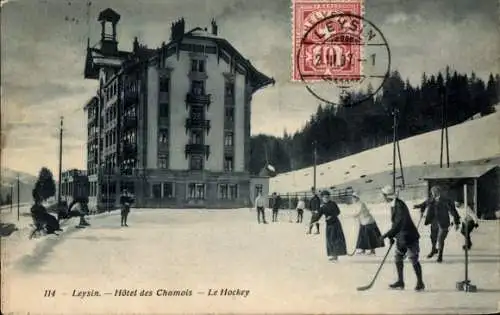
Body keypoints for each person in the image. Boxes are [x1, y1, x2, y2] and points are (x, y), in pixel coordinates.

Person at [380, 185, 425, 291]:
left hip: (409, 236)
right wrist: (392, 236)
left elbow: (399, 223)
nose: (383, 197)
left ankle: (420, 283)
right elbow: (395, 223)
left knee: (413, 259)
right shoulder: (394, 204)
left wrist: (387, 235)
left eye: (383, 195)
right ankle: (400, 281)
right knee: (398, 257)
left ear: (387, 196)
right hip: (401, 236)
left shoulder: (399, 205)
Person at [422, 186, 461, 263]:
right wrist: (418, 207)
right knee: (433, 237)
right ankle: (434, 250)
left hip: (444, 223)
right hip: (434, 222)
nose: (432, 194)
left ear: (437, 192)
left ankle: (440, 256)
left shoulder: (446, 200)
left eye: (433, 192)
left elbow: (454, 211)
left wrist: (456, 223)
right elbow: (424, 203)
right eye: (432, 192)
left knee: (440, 239)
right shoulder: (432, 199)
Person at [310, 190, 347, 261]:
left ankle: (336, 256)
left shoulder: (333, 203)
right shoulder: (323, 207)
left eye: (327, 197)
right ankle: (333, 255)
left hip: (336, 224)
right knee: (330, 240)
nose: (326, 198)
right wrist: (313, 221)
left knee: (336, 240)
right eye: (324, 197)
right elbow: (318, 215)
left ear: (329, 197)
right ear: (322, 198)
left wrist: (331, 216)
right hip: (329, 225)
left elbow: (338, 212)